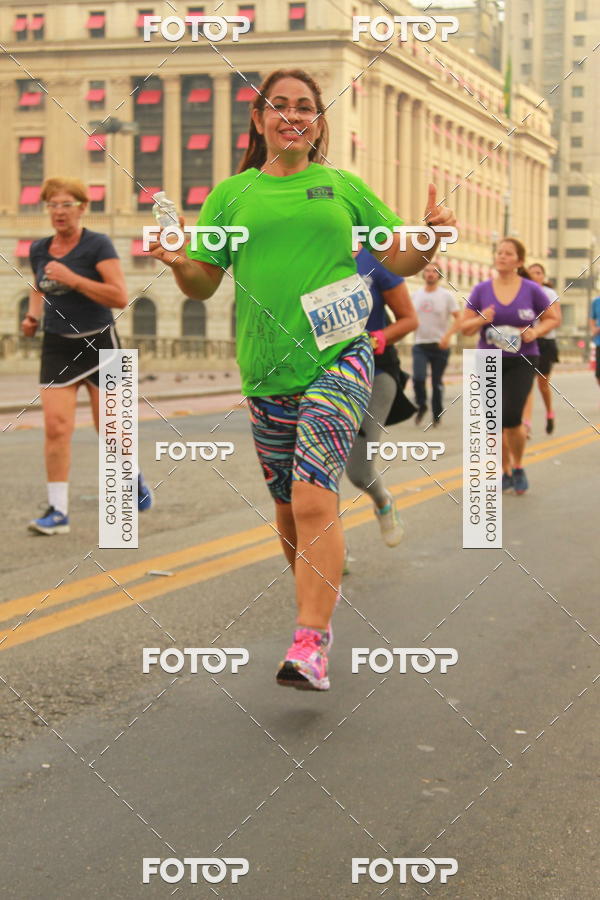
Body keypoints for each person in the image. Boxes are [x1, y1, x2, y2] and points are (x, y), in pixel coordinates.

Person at [149, 68, 456, 691]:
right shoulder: (231, 197)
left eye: (306, 108)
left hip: (340, 357)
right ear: (259, 120)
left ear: (319, 122)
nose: (293, 115)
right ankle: (315, 612)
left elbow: (395, 256)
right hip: (266, 370)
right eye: (279, 106)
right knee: (289, 511)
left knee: (316, 497)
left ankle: (310, 641)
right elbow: (205, 282)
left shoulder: (342, 187)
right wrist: (182, 263)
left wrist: (429, 240)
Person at [23, 177, 153, 535]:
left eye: (66, 204)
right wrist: (33, 316)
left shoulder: (98, 245)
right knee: (56, 428)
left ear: (83, 207)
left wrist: (73, 278)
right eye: (52, 204)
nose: (59, 212)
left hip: (101, 343)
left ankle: (133, 478)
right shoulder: (39, 248)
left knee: (110, 430)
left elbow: (118, 296)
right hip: (57, 344)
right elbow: (38, 286)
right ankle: (58, 512)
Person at [461, 238, 560, 495]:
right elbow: (465, 326)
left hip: (523, 359)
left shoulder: (531, 290)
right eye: (499, 252)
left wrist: (535, 332)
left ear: (518, 261)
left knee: (512, 415)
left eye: (508, 253)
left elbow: (552, 318)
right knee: (493, 421)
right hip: (488, 359)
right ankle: (504, 471)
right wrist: (482, 319)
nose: (502, 256)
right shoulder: (481, 290)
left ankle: (518, 465)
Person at [345, 246, 418, 547]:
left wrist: (381, 337)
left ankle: (383, 503)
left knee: (359, 471)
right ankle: (333, 552)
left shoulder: (374, 260)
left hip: (376, 371)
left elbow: (409, 319)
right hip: (324, 373)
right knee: (318, 474)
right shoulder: (313, 253)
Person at [411, 263, 461, 426]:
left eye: (434, 271)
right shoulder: (416, 295)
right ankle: (422, 404)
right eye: (427, 271)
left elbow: (459, 319)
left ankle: (437, 413)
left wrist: (448, 336)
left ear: (439, 275)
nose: (430, 274)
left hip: (440, 345)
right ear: (423, 274)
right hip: (420, 344)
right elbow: (408, 317)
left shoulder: (446, 296)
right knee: (418, 378)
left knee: (436, 382)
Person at [521, 263, 561, 435]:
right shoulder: (522, 293)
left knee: (542, 385)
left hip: (545, 342)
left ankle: (549, 413)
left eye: (538, 273)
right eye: (531, 273)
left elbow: (556, 319)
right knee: (527, 384)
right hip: (528, 342)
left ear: (543, 277)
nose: (535, 275)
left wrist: (538, 329)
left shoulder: (550, 293)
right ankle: (526, 424)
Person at [589, 293, 600, 389]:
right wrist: (593, 329)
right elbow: (592, 319)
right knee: (598, 375)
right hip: (599, 342)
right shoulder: (596, 301)